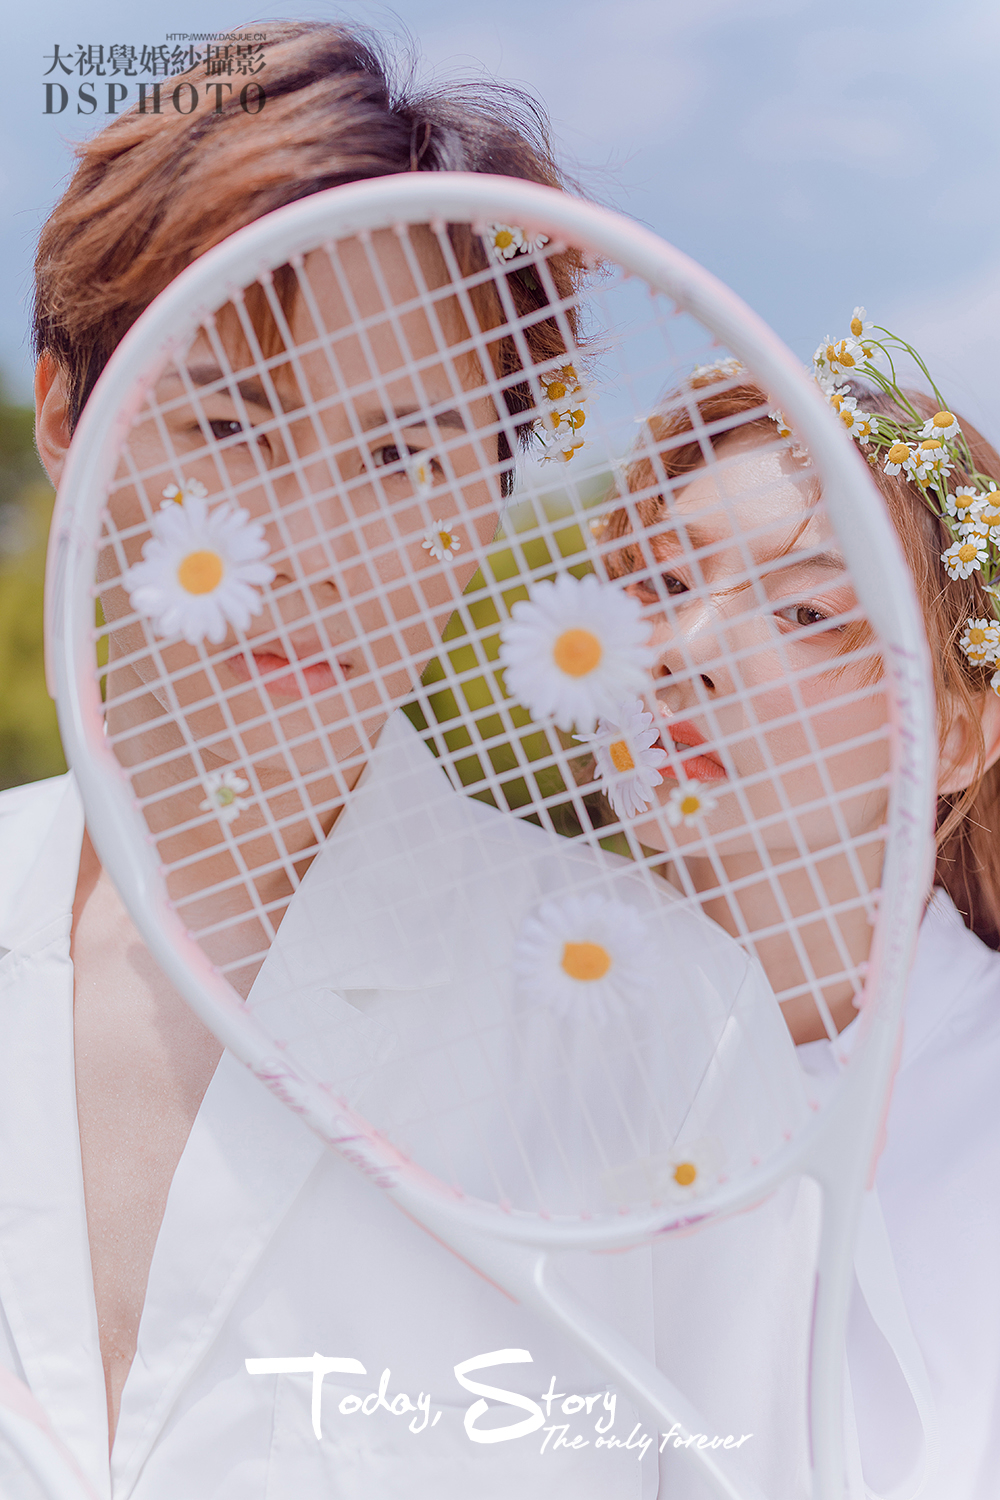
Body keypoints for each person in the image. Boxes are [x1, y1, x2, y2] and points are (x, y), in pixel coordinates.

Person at [4, 19, 816, 1500]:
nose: (309, 548)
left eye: (403, 458)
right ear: (67, 417)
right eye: (234, 423)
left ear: (490, 503)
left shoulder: (666, 1027)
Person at [595, 338, 1000, 1500]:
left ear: (957, 737)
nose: (686, 652)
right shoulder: (477, 1045)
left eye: (808, 612)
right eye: (661, 585)